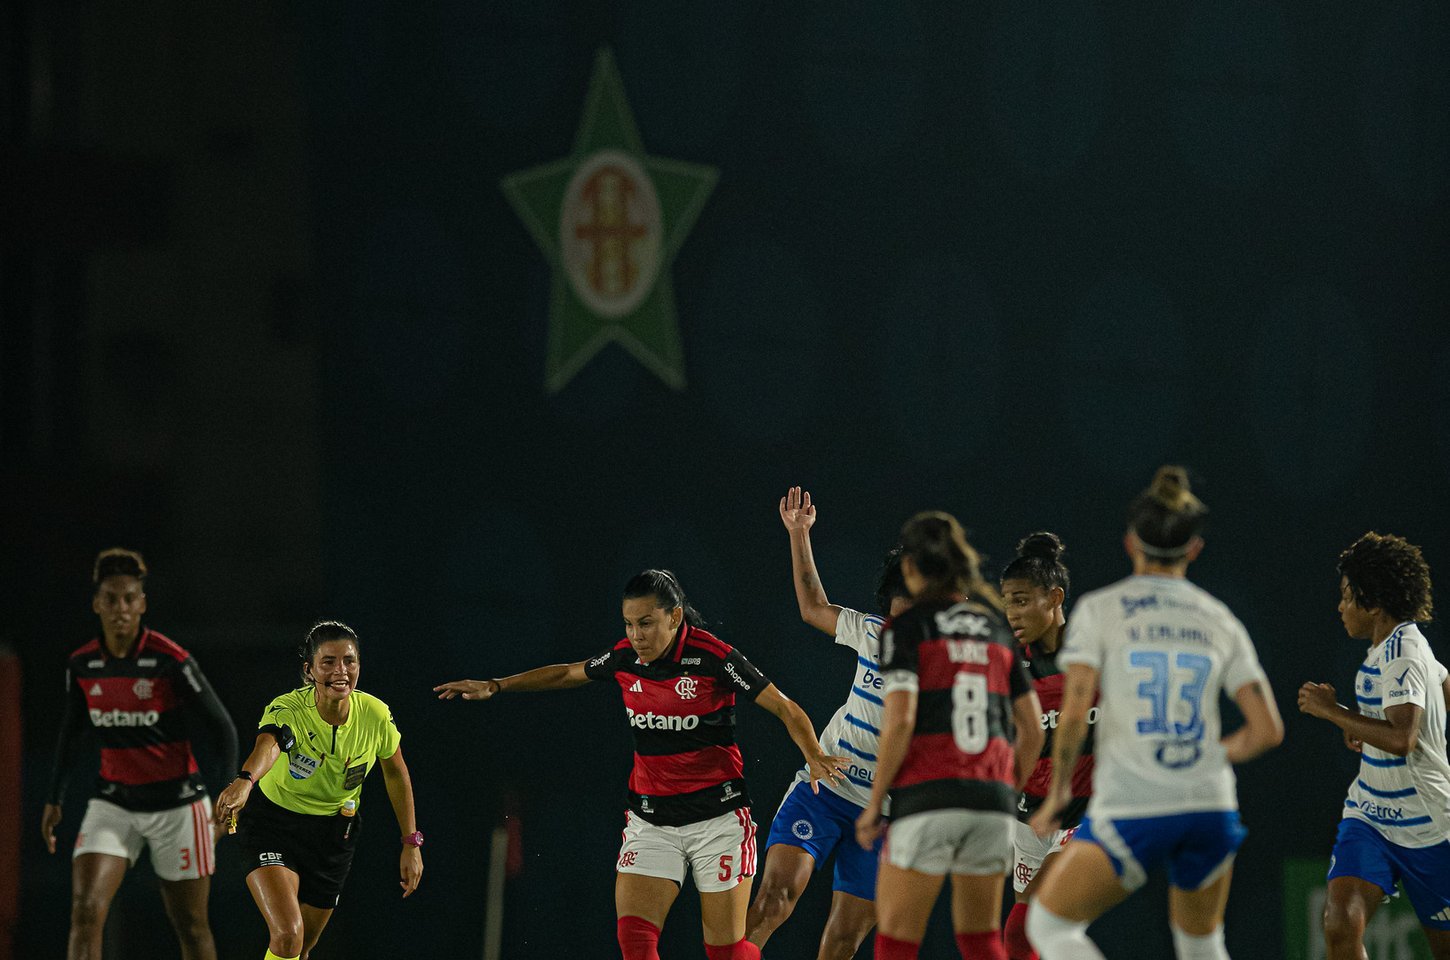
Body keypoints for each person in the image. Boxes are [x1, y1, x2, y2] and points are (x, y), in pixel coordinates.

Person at [435, 569, 847, 960]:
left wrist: (812, 753)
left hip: (717, 822)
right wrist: (497, 685)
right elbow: (567, 674)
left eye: (646, 623)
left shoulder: (712, 657)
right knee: (635, 942)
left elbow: (786, 708)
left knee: (725, 952)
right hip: (651, 823)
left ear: (675, 616)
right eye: (629, 624)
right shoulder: (624, 658)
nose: (635, 635)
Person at [1026, 467, 1284, 960]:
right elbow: (1267, 730)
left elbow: (1076, 708)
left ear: (1130, 543)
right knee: (1202, 944)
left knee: (1050, 928)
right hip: (1209, 804)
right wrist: (1207, 756)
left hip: (1135, 805)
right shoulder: (1218, 618)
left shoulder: (1102, 610)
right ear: (1193, 550)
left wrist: (1059, 789)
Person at [855, 511, 1045, 960]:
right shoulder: (996, 628)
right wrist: (1004, 789)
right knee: (980, 940)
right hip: (992, 802)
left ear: (911, 569)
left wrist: (876, 799)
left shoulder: (905, 629)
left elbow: (899, 721)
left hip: (927, 797)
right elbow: (1033, 728)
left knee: (896, 941)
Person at [42, 548, 238, 960]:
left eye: (129, 599)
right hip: (113, 802)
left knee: (190, 925)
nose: (120, 608)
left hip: (179, 806)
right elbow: (71, 733)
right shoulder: (82, 665)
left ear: (142, 604)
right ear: (96, 604)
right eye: (110, 599)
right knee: (85, 911)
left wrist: (227, 795)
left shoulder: (170, 660)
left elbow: (222, 728)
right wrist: (54, 798)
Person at [745, 486, 913, 958]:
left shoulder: (952, 666)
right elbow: (812, 608)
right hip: (825, 788)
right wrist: (799, 534)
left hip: (884, 816)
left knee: (842, 941)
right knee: (774, 901)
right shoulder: (873, 633)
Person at [212, 621, 422, 960]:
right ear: (309, 671)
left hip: (333, 834)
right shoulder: (289, 708)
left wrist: (411, 842)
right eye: (328, 662)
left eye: (349, 661)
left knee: (302, 947)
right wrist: (245, 781)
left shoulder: (376, 716)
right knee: (287, 935)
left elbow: (396, 774)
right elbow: (270, 744)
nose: (341, 671)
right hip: (272, 825)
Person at [1297, 532, 1450, 959]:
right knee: (1340, 925)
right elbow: (1441, 688)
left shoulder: (1402, 652)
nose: (1340, 606)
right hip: (1372, 816)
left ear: (1374, 602)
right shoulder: (1400, 644)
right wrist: (1366, 727)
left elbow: (1403, 739)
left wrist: (1332, 711)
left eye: (1348, 596)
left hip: (1429, 826)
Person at [999, 532, 1094, 960]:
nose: (1011, 612)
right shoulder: (1008, 664)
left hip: (1088, 815)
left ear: (1055, 597)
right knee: (1032, 945)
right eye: (1007, 601)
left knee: (1025, 929)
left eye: (1021, 600)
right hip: (1029, 819)